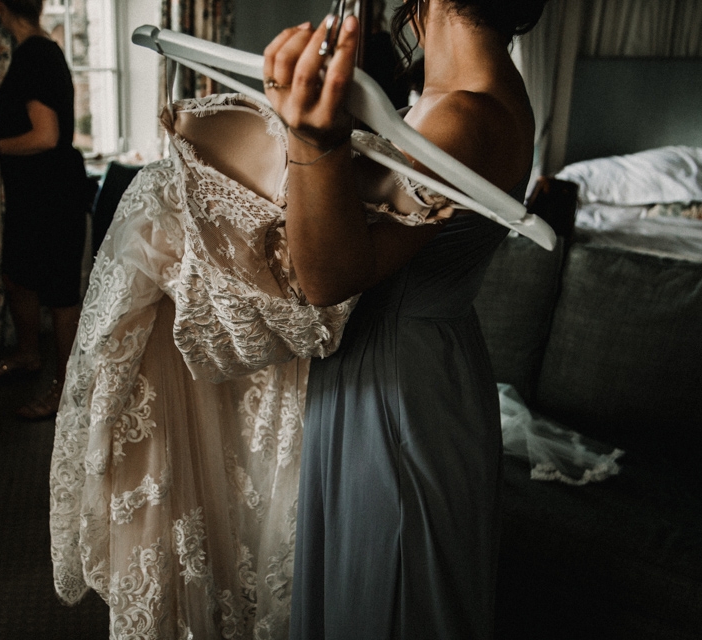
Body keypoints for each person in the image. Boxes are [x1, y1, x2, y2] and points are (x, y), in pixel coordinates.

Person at [261, 0, 547, 637]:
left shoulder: (463, 114)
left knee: (385, 592)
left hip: (395, 384)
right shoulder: (471, 94)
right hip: (424, 358)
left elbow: (326, 278)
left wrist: (309, 140)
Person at [0, 0, 87, 420]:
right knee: (17, 276)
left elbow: (48, 136)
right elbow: (36, 125)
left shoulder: (35, 54)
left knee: (59, 292)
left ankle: (65, 388)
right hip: (34, 193)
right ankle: (28, 353)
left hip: (51, 193)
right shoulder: (36, 52)